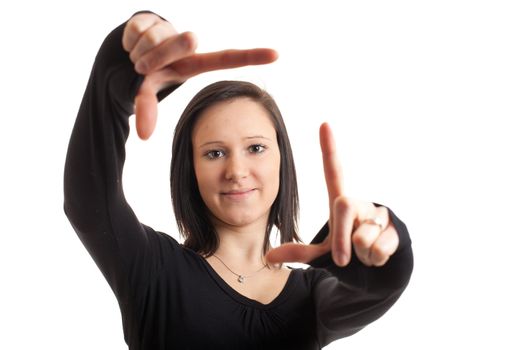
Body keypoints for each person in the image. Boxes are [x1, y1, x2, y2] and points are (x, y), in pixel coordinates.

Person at [64, 11, 413, 350]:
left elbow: (373, 289)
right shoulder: (153, 270)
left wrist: (379, 252)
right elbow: (89, 201)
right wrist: (121, 70)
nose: (236, 170)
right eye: (214, 153)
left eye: (256, 148)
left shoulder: (314, 296)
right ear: (191, 170)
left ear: (282, 160)